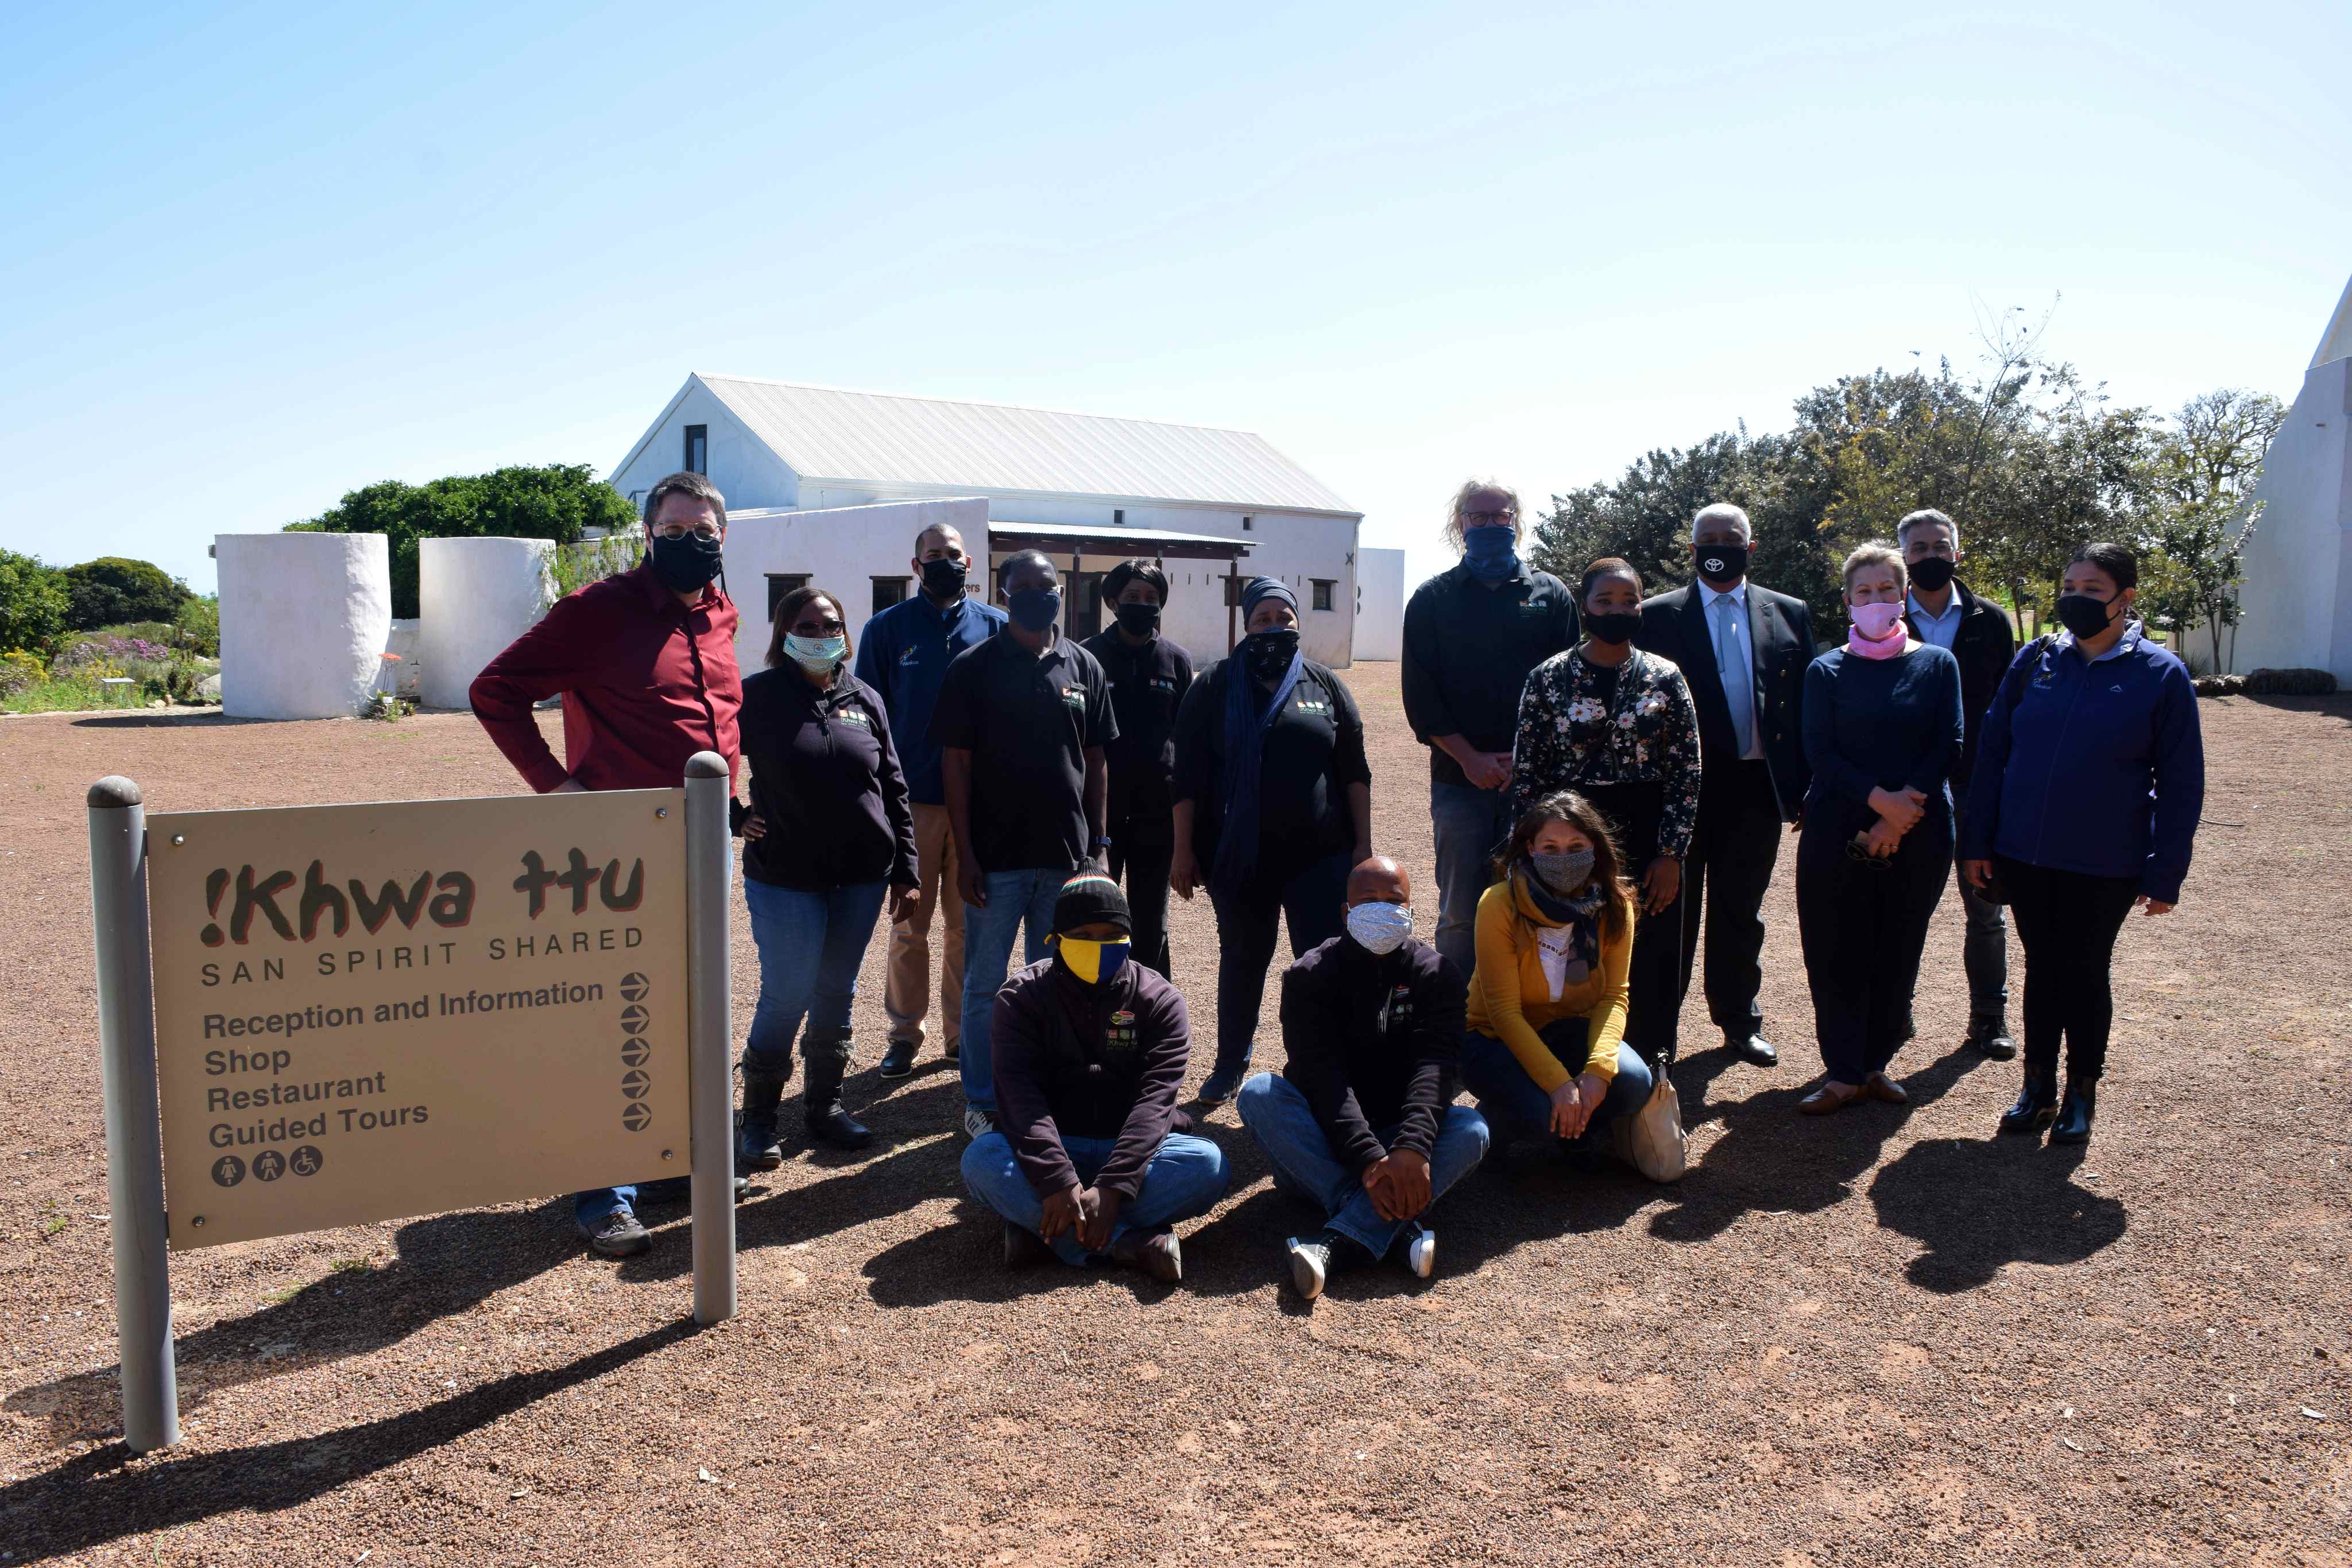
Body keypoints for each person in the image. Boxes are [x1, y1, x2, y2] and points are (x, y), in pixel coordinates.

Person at [469, 470, 748, 1257]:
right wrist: (557, 789)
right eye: (677, 527)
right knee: (615, 1009)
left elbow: (721, 721)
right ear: (649, 533)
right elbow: (495, 690)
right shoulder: (595, 612)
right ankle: (604, 1193)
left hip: (704, 844)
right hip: (621, 850)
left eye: (706, 529)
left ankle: (673, 1159)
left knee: (690, 1008)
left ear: (722, 538)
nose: (693, 541)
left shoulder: (722, 613)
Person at [1962, 541, 2204, 1145]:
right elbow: (1992, 751)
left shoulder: (2159, 674)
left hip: (2106, 861)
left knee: (2085, 970)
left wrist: (2165, 872)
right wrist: (1977, 840)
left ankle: (2081, 1094)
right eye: (2068, 587)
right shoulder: (2036, 660)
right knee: (2042, 967)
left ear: (2126, 598)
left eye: (2091, 590)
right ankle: (2036, 1088)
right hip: (2025, 852)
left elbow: (2181, 783)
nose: (2075, 599)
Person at [1236, 856, 1490, 1301]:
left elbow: (1436, 1066)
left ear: (1412, 911)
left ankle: (1337, 1243)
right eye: (1368, 900)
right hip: (1327, 1144)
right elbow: (1321, 1077)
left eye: (1394, 900)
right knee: (1259, 1093)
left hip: (1404, 1140)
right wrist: (1370, 1159)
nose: (1382, 908)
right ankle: (1399, 1224)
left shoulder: (1438, 975)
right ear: (1345, 913)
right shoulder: (1308, 976)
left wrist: (1412, 1145)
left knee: (1473, 1129)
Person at [959, 872, 1231, 1280]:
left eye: (1110, 933)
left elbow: (1155, 1103)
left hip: (1132, 1149)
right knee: (981, 1160)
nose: (1097, 944)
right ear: (1056, 938)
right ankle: (1128, 1243)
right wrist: (1055, 1178)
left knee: (1208, 1164)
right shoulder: (1020, 998)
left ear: (1128, 936)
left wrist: (1115, 1184)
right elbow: (1019, 1098)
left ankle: (1045, 1232)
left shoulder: (1160, 1000)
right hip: (1052, 1146)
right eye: (1082, 933)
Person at [932, 549, 1116, 1139]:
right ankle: (983, 1099)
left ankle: (1044, 1092)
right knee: (986, 985)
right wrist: (966, 852)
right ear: (1003, 591)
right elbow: (955, 764)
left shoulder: (1083, 665)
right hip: (996, 858)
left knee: (1056, 980)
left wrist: (1100, 845)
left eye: (1050, 584)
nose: (1040, 592)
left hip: (1065, 858)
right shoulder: (973, 666)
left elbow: (1096, 760)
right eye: (1026, 585)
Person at [1171, 576, 1374, 1105]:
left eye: (1285, 618)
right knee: (1242, 960)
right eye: (1263, 619)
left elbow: (1354, 771)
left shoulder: (1324, 684)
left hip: (1320, 858)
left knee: (1321, 964)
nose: (1275, 628)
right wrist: (1183, 849)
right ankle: (1230, 1063)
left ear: (1298, 623)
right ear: (1246, 624)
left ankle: (1319, 1061)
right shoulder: (1214, 684)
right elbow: (1186, 775)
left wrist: (1362, 848)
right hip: (1238, 858)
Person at [734, 586, 920, 1163]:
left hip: (861, 877)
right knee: (786, 994)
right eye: (807, 624)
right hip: (786, 876)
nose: (821, 633)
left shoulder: (864, 696)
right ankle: (759, 1120)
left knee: (836, 990)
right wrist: (734, 818)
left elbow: (893, 786)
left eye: (831, 623)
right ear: (784, 632)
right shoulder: (756, 697)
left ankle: (824, 1107)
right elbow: (702, 762)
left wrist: (906, 870)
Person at [1633, 502, 1816, 1068]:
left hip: (1755, 788)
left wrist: (1804, 783)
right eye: (1708, 538)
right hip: (1678, 792)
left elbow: (1807, 705)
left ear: (1750, 547)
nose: (1719, 545)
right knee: (1670, 913)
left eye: (1730, 537)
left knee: (1741, 911)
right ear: (1692, 550)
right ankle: (1656, 1032)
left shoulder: (1788, 612)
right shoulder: (1655, 616)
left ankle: (1739, 1021)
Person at [1507, 557, 1702, 1061]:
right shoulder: (1548, 678)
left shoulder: (1666, 677)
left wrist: (1671, 852)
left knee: (1650, 955)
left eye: (1629, 601)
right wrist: (1530, 854)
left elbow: (1686, 770)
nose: (1618, 609)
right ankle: (1566, 1071)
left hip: (1646, 830)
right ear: (1584, 605)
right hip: (1568, 832)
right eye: (1605, 601)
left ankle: (1649, 1078)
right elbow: (1528, 772)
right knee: (1568, 952)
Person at [1792, 544, 1964, 1115]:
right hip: (1836, 829)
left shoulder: (1937, 664)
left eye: (1886, 590)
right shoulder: (1825, 670)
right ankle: (1841, 1070)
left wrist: (1900, 812)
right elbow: (1819, 750)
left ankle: (1875, 1064)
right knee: (1835, 947)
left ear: (1904, 595)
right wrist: (1878, 804)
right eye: (1863, 592)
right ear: (1847, 600)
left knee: (1897, 949)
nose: (1875, 600)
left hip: (1920, 832)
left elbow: (1949, 742)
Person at [1401, 480, 1580, 978]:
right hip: (1460, 781)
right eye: (1477, 518)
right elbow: (1421, 697)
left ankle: (1534, 1017)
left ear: (1515, 522)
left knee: (1544, 897)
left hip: (1538, 783)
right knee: (1460, 911)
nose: (1488, 526)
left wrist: (1525, 758)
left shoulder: (1551, 595)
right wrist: (1471, 759)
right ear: (1460, 524)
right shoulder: (1433, 600)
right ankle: (1455, 1027)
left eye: (1498, 517)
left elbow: (1569, 691)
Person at [854, 522, 1007, 1082]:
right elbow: (866, 718)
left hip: (979, 808)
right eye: (932, 556)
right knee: (907, 926)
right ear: (916, 567)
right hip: (911, 803)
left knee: (970, 926)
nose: (944, 563)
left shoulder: (999, 629)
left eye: (953, 555)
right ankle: (903, 1035)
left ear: (970, 562)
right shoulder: (886, 630)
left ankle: (963, 1035)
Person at [1457, 792, 1655, 1164]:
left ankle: (1567, 1122)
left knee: (1633, 1084)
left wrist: (1596, 1072)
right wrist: (1560, 1084)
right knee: (1541, 1115)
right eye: (1551, 846)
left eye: (1576, 846)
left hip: (1564, 1028)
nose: (1564, 858)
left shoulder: (1615, 907)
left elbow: (1614, 997)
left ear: (1595, 847)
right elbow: (1502, 1011)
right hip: (1491, 1039)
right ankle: (1496, 1118)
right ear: (1530, 848)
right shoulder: (1498, 903)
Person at [1898, 508, 2019, 1061]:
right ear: (1904, 557)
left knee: (1987, 912)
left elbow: (2013, 706)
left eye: (1938, 546)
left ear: (1957, 552)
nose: (1929, 556)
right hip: (1908, 790)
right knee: (1901, 910)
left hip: (1977, 788)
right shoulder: (1883, 619)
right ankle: (1895, 1012)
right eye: (1918, 549)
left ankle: (1989, 1020)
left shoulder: (1991, 620)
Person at [1080, 558, 1194, 978]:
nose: (1142, 605)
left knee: (1151, 923)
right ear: (1112, 601)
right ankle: (1095, 1000)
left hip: (1157, 816)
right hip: (1098, 814)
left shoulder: (1177, 662)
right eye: (1132, 597)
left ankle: (1152, 1009)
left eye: (1151, 598)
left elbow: (1189, 741)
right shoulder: (1088, 657)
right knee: (1097, 913)